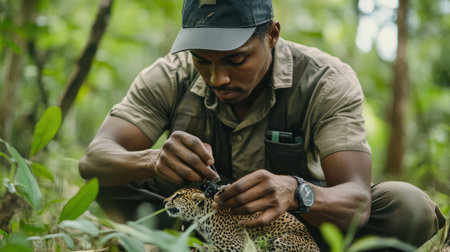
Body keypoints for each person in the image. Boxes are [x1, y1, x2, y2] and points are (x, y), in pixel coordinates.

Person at [79, 0, 446, 249]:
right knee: (108, 181)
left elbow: (357, 198)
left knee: (407, 207)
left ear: (271, 35)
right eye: (202, 61)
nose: (217, 77)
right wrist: (152, 160)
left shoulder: (325, 80)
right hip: (197, 223)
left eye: (235, 59)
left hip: (300, 231)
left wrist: (297, 192)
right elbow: (94, 159)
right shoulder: (167, 77)